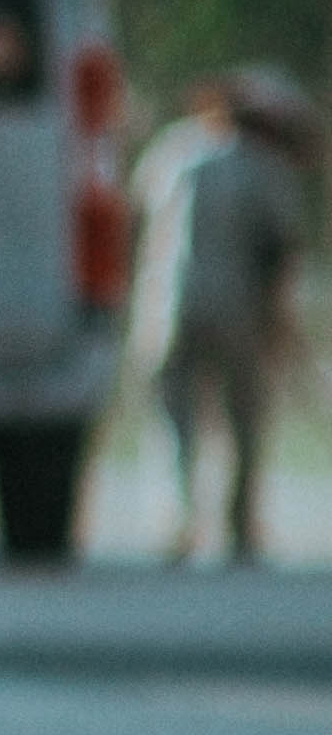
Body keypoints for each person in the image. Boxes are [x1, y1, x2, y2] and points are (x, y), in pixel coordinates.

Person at [126, 73, 312, 565]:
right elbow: (279, 246)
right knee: (245, 417)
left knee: (174, 416)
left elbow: (137, 221)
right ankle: (240, 525)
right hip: (237, 306)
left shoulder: (172, 149)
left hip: (165, 303)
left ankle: (177, 521)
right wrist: (279, 318)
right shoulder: (264, 165)